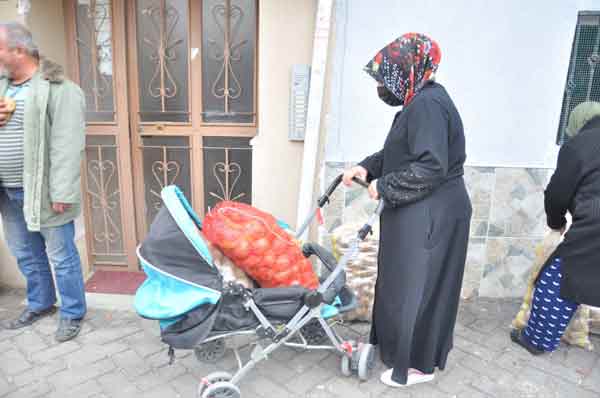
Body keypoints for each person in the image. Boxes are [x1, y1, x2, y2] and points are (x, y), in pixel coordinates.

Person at [342, 33, 472, 387]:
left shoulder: (427, 105)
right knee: (401, 283)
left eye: (387, 78)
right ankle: (397, 350)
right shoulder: (417, 103)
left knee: (418, 287)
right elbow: (400, 154)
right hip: (421, 208)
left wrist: (384, 186)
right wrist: (366, 168)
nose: (383, 87)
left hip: (433, 212)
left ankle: (417, 366)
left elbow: (430, 166)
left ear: (408, 70)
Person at [0, 22, 87, 342]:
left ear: (18, 51)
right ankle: (41, 303)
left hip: (46, 191)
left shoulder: (60, 89)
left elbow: (67, 144)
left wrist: (62, 190)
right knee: (25, 251)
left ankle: (72, 312)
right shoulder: (3, 87)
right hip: (6, 190)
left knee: (61, 255)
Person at [511, 101, 600, 354]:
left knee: (556, 278)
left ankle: (537, 341)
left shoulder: (579, 146)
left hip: (595, 224)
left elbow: (558, 193)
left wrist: (556, 223)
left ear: (578, 124)